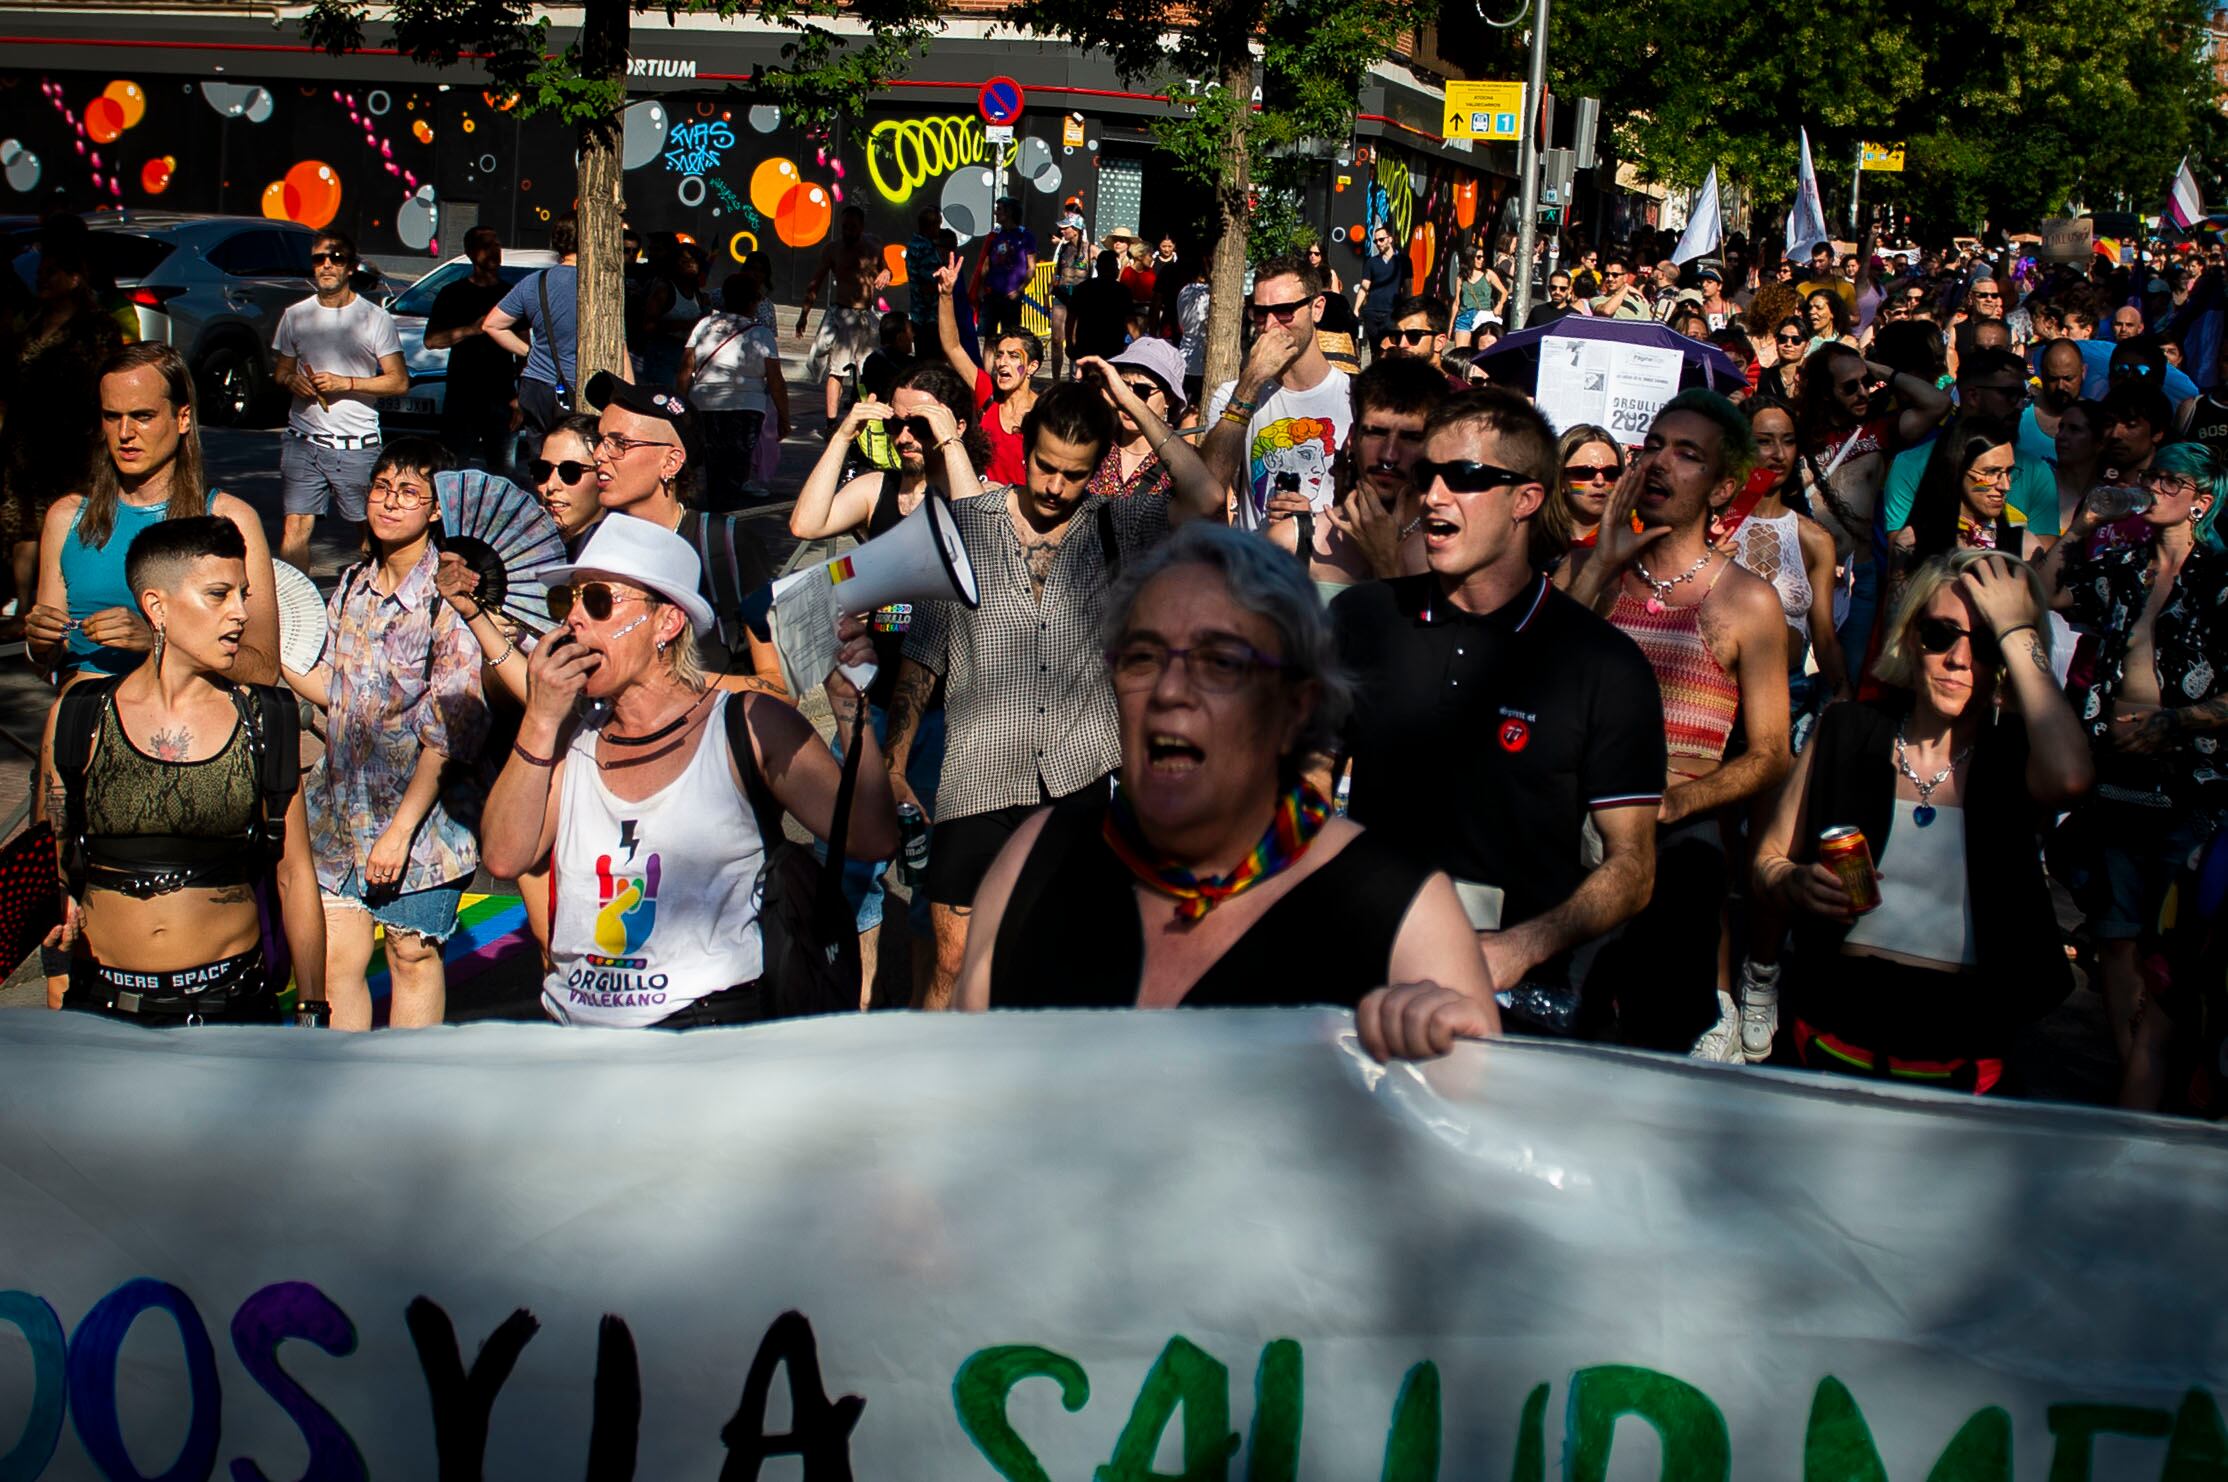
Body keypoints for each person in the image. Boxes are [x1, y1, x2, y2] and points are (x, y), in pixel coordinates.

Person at [956, 520, 1499, 1060]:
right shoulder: (1038, 857)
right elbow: (962, 1100)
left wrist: (1452, 1060)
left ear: (1296, 706)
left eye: (1219, 663)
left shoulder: (1403, 917)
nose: (1169, 691)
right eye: (1142, 657)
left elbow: (1478, 1129)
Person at [1332, 388, 1665, 1033]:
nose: (1432, 495)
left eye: (1465, 477)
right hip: (1361, 976)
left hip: (1514, 1005)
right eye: (1428, 474)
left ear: (1527, 499)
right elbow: (1308, 787)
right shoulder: (1363, 619)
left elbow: (1634, 867)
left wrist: (1520, 949)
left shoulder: (1603, 665)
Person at [883, 382, 1226, 1008]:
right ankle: (928, 1089)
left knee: (1059, 960)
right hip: (977, 777)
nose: (1052, 487)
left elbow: (1206, 498)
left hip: (1077, 779)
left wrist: (1128, 398)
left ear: (1096, 471)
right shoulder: (962, 525)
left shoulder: (1118, 523)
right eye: (1043, 466)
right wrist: (895, 765)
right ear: (1024, 447)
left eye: (1072, 475)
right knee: (953, 961)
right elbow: (922, 655)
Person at [481, 516, 900, 1027]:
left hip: (705, 1033)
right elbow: (505, 856)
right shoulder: (570, 736)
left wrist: (854, 716)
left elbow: (871, 838)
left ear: (667, 623)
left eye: (597, 601)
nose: (574, 621)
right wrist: (541, 718)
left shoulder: (745, 722)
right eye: (564, 602)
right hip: (578, 1038)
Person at [1753, 552, 2090, 1092]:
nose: (1959, 659)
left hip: (1961, 1049)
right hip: (1834, 1029)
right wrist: (1793, 881)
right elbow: (1767, 862)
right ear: (1910, 637)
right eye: (1939, 634)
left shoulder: (2017, 757)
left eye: (1984, 643)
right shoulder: (1846, 729)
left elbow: (2073, 779)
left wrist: (2019, 627)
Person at [1561, 392, 1792, 1053]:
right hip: (1569, 843)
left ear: (1722, 487)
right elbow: (1534, 681)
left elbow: (1772, 754)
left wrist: (1676, 802)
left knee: (1655, 1043)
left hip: (1675, 855)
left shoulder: (1748, 601)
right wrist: (1600, 564)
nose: (1660, 462)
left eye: (1687, 454)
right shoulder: (1585, 568)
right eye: (1655, 445)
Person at [40, 516, 324, 1025]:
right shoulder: (79, 713)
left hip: (230, 1004)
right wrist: (56, 966)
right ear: (156, 607)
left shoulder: (266, 720)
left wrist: (311, 1008)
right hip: (100, 1003)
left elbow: (295, 874)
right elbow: (53, 862)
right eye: (218, 595)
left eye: (243, 594)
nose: (240, 613)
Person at [788, 360, 983, 995]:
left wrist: (946, 441)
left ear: (951, 425)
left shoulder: (967, 487)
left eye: (918, 422)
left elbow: (977, 530)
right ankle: (861, 1004)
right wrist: (844, 434)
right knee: (855, 864)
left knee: (935, 874)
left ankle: (931, 1015)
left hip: (948, 711)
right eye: (897, 422)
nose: (904, 435)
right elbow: (805, 524)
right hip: (872, 702)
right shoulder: (874, 489)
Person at [279, 438, 487, 1030]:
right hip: (340, 814)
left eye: (408, 493)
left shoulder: (448, 597)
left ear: (436, 509)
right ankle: (345, 1097)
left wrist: (398, 833)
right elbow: (340, 693)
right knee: (339, 957)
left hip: (424, 819)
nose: (389, 503)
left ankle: (407, 1098)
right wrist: (277, 657)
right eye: (380, 488)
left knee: (411, 953)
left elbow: (452, 726)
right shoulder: (350, 586)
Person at [2043, 445, 2228, 1110]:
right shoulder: (2121, 565)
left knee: (2172, 941)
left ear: (2202, 499)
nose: (2155, 489)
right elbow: (2045, 592)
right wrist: (2082, 527)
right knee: (2116, 934)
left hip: (2190, 782)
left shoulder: (2222, 579)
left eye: (2171, 481)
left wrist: (2176, 724)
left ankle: (2169, 1079)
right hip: (2114, 770)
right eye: (2154, 477)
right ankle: (2134, 1075)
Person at [28, 343, 282, 685]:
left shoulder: (229, 518)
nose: (124, 434)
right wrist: (40, 645)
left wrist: (159, 644)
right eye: (111, 416)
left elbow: (264, 669)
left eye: (142, 416)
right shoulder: (68, 518)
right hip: (84, 716)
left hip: (185, 723)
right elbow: (49, 661)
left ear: (182, 418)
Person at [581, 372, 784, 690]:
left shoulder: (726, 545)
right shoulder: (592, 543)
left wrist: (669, 683)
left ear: (671, 462)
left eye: (620, 443)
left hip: (708, 734)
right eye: (600, 439)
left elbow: (779, 687)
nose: (598, 456)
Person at [1795, 342, 1954, 680]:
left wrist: (1873, 368)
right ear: (1825, 392)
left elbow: (1938, 403)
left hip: (1857, 580)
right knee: (1793, 678)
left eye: (1866, 383)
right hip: (1801, 575)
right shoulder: (1796, 435)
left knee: (1845, 680)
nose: (1863, 393)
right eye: (1850, 387)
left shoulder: (1878, 431)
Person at [3, 243, 129, 620]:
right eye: (40, 272)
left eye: (52, 271)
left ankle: (65, 604)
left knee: (68, 522)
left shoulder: (98, 327)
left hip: (73, 443)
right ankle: (26, 609)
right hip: (25, 443)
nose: (42, 278)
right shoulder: (33, 322)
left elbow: (110, 380)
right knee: (23, 525)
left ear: (75, 279)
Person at [271, 230, 407, 571]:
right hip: (303, 440)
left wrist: (344, 383)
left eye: (336, 259)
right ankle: (293, 609)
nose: (327, 265)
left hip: (356, 443)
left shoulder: (373, 318)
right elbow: (280, 373)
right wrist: (293, 382)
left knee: (372, 531)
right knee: (295, 527)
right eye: (319, 259)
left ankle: (373, 603)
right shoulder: (296, 315)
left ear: (351, 267)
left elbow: (399, 381)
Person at [1267, 357, 1448, 597]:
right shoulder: (1291, 542)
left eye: (1410, 437)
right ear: (1352, 438)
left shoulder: (1447, 549)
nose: (1389, 456)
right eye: (1376, 433)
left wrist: (1387, 563)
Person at [1201, 255, 1353, 530]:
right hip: (1255, 567)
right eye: (1260, 313)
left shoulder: (1353, 398)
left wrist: (1314, 521)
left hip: (1324, 567)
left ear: (1317, 308)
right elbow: (1206, 490)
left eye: (1285, 310)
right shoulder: (1232, 396)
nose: (1270, 325)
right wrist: (1251, 381)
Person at [1724, 396, 1849, 706]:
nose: (1778, 454)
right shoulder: (1712, 524)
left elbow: (1823, 635)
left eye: (1788, 441)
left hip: (1789, 693)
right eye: (1763, 442)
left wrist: (1844, 695)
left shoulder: (1814, 539)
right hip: (1717, 688)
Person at [1882, 349, 2058, 541]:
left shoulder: (2036, 471)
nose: (2019, 406)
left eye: (2022, 396)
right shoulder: (1911, 465)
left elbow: (2041, 564)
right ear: (1973, 396)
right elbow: (1901, 562)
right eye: (2009, 394)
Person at [677, 273, 787, 510]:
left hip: (704, 405)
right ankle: (725, 513)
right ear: (754, 300)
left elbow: (685, 370)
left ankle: (715, 508)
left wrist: (682, 407)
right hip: (747, 408)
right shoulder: (762, 334)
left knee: (713, 463)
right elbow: (776, 381)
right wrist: (784, 417)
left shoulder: (704, 325)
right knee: (736, 465)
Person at [930, 252, 1039, 489]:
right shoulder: (987, 392)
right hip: (982, 510)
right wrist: (946, 296)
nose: (1002, 363)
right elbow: (952, 347)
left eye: (1013, 356)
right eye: (999, 355)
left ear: (1032, 366)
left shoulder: (1046, 410)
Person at [424, 226, 521, 470]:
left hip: (501, 398)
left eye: (497, 245)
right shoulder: (453, 294)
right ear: (470, 252)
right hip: (462, 398)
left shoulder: (509, 295)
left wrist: (521, 398)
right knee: (451, 469)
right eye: (486, 245)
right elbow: (431, 340)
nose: (494, 251)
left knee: (502, 473)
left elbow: (525, 349)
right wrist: (471, 330)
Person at [483, 215, 584, 442]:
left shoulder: (534, 282)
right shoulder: (596, 286)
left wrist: (531, 353)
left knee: (540, 458)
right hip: (578, 387)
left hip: (537, 385)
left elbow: (491, 325)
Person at [1082, 340, 1215, 507]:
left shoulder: (1185, 463)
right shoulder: (1095, 444)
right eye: (1123, 387)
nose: (1128, 400)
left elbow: (1210, 502)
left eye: (1142, 391)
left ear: (1169, 399)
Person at [1901, 418, 2047, 567]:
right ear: (1957, 470)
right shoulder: (1912, 543)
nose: (2005, 486)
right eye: (1991, 472)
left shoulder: (2026, 548)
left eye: (2009, 471)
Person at [798, 205, 889, 435]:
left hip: (865, 318)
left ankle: (866, 421)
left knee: (869, 370)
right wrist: (804, 315)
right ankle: (831, 423)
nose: (848, 232)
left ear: (862, 227)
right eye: (844, 227)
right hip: (843, 314)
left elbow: (885, 268)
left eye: (853, 228)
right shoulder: (833, 249)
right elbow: (815, 282)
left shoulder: (874, 245)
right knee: (837, 370)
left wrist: (887, 272)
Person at [1533, 423, 1624, 566]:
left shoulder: (1634, 539)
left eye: (1610, 473)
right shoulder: (1529, 540)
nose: (1600, 481)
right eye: (1585, 472)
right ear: (1560, 479)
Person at [640, 241, 708, 390]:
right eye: (684, 261)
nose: (690, 265)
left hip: (686, 353)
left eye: (694, 261)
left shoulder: (698, 294)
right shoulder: (664, 290)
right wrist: (688, 324)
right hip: (662, 352)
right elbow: (648, 325)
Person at [2020, 338, 2088, 467]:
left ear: (2083, 372)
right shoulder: (2020, 416)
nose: (2061, 386)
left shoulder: (2097, 419)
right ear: (2042, 373)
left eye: (2068, 378)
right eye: (2053, 379)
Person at [976, 197, 1036, 341]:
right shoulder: (994, 236)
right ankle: (987, 364)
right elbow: (986, 263)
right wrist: (981, 288)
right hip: (991, 296)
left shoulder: (1025, 236)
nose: (996, 213)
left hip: (1011, 298)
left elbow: (1031, 267)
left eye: (999, 209)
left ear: (1009, 212)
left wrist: (1019, 290)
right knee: (987, 339)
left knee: (1009, 337)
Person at [1066, 249, 1134, 366]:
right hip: (1112, 346)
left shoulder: (1082, 289)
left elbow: (1071, 319)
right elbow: (1130, 322)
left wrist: (1069, 343)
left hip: (1087, 345)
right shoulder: (1122, 291)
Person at [2049, 398, 2105, 539]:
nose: (2061, 436)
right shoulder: (2040, 487)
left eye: (2074, 429)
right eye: (2061, 428)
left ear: (2099, 442)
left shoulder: (2107, 498)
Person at [1047, 212, 1092, 382]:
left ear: (1076, 229)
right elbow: (1056, 274)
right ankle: (1055, 380)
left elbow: (1106, 264)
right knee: (1056, 339)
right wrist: (1048, 295)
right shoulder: (1063, 248)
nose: (1062, 231)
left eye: (1066, 228)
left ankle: (1074, 378)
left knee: (1074, 338)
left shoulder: (1090, 249)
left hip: (1080, 295)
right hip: (1062, 294)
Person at [1356, 224, 1404, 350]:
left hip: (1391, 312)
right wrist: (1356, 309)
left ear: (1390, 239)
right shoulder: (1371, 262)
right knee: (1375, 350)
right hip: (1372, 312)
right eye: (1375, 241)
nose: (1378, 243)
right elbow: (1365, 286)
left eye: (1381, 239)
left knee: (1390, 349)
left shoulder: (1402, 261)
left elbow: (1407, 287)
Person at [905, 206, 945, 349]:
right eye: (938, 224)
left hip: (917, 312)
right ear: (932, 225)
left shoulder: (913, 244)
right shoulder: (925, 248)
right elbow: (929, 283)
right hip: (929, 316)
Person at [1177, 260, 1212, 409]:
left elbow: (1181, 322)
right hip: (1202, 353)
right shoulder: (1209, 293)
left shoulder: (1183, 291)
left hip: (1184, 351)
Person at [1453, 240, 1502, 345]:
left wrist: (1499, 305)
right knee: (1461, 353)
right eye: (1478, 257)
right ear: (1470, 258)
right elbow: (1457, 302)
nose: (1482, 260)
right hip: (1464, 316)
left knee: (1480, 351)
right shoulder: (1461, 277)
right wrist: (1451, 325)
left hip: (1482, 316)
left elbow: (1504, 292)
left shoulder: (1488, 274)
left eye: (1483, 257)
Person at [858, 310, 912, 405]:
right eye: (911, 332)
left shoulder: (872, 359)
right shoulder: (906, 365)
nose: (913, 337)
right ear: (900, 338)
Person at [1589, 255, 1650, 320]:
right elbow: (1606, 312)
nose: (1610, 278)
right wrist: (1626, 289)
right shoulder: (1596, 300)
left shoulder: (1640, 301)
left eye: (1615, 275)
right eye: (1607, 274)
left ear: (1625, 277)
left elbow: (1647, 328)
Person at [1804, 288, 1856, 352]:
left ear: (1833, 313)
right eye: (1810, 308)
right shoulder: (1800, 341)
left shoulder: (1847, 343)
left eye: (1819, 308)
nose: (1811, 312)